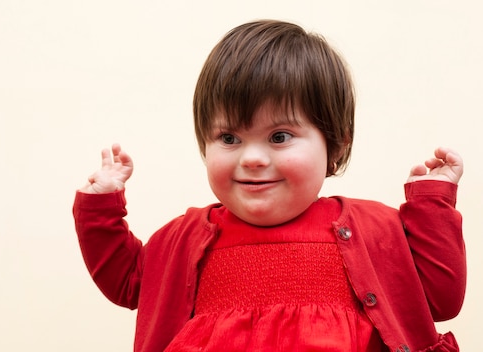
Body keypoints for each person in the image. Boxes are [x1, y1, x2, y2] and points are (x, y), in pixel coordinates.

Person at [73, 19, 466, 352]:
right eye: (229, 138)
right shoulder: (183, 238)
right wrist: (99, 206)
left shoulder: (375, 229)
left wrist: (432, 205)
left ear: (335, 143)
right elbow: (125, 281)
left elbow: (441, 297)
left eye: (279, 137)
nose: (252, 158)